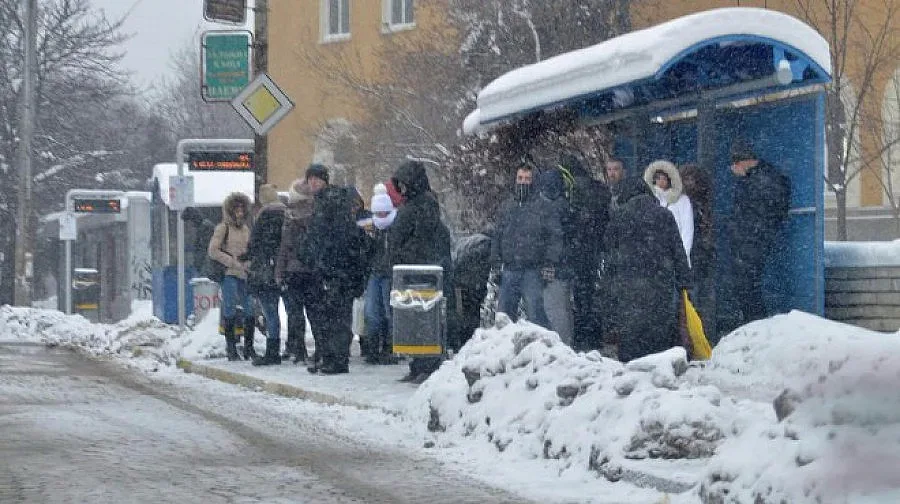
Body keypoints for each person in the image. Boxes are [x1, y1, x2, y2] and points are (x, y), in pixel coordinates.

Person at [604, 177, 691, 362]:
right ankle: (659, 370)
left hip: (629, 287)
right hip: (659, 285)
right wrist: (685, 282)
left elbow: (610, 255)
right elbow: (678, 252)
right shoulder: (664, 215)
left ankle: (631, 370)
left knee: (631, 336)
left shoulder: (620, 217)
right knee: (659, 334)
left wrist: (609, 289)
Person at [387, 160, 453, 384]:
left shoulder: (424, 204)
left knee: (425, 318)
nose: (402, 188)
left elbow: (421, 238)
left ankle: (427, 364)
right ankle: (417, 364)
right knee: (413, 317)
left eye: (405, 184)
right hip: (411, 268)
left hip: (421, 269)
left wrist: (404, 254)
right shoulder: (413, 204)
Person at [305, 174, 372, 375]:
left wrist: (319, 262)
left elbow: (314, 244)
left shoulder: (326, 221)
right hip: (341, 275)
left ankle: (332, 358)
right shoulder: (346, 223)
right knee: (337, 318)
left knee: (330, 318)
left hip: (332, 274)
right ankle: (333, 358)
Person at [491, 162, 562, 330]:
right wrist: (495, 263)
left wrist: (549, 263)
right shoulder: (507, 206)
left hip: (533, 270)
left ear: (534, 181)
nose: (523, 182)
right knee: (503, 319)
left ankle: (543, 351)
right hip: (509, 269)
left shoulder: (544, 207)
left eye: (527, 179)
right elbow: (497, 236)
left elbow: (555, 237)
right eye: (520, 178)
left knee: (536, 317)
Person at [729, 138, 791, 326]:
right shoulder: (768, 177)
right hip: (755, 240)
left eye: (734, 165)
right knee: (748, 286)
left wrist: (751, 233)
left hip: (753, 241)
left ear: (740, 162)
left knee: (746, 287)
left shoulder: (759, 180)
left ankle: (756, 324)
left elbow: (758, 212)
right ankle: (755, 324)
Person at [558, 154, 610, 351]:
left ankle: (583, 336)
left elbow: (571, 222)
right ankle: (593, 334)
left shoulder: (573, 190)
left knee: (580, 295)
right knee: (589, 293)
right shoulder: (598, 189)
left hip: (578, 251)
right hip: (594, 250)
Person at [208, 192, 255, 361]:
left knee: (250, 308)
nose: (240, 212)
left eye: (242, 209)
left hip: (244, 273)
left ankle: (249, 347)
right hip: (229, 273)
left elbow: (250, 249)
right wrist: (231, 261)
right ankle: (231, 347)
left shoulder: (246, 229)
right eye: (236, 209)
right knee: (230, 307)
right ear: (230, 210)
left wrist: (248, 262)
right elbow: (213, 250)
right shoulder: (223, 228)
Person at [247, 184, 286, 366]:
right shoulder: (286, 214)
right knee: (281, 310)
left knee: (269, 311)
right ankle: (289, 347)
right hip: (283, 268)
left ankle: (272, 351)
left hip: (265, 269)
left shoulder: (264, 216)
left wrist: (248, 256)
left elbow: (255, 244)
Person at [535, 168, 574, 345]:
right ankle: (565, 344)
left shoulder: (549, 209)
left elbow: (553, 240)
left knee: (554, 310)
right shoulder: (566, 206)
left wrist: (548, 262)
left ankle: (561, 347)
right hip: (564, 265)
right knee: (562, 309)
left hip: (554, 267)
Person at [363, 183, 398, 365]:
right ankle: (374, 347)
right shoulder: (371, 230)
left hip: (389, 273)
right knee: (372, 312)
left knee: (388, 311)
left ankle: (388, 347)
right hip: (376, 272)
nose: (381, 216)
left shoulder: (395, 228)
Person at [679, 163, 715, 332]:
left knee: (694, 295)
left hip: (695, 256)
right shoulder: (702, 205)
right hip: (698, 256)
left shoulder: (690, 205)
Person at [643, 160, 694, 266]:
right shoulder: (648, 199)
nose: (661, 182)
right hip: (653, 256)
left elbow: (687, 228)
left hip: (675, 251)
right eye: (657, 178)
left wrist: (683, 254)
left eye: (664, 178)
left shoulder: (682, 200)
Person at [181, 207, 216, 273]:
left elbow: (205, 249)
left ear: (192, 219)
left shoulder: (206, 228)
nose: (187, 226)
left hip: (208, 267)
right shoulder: (202, 227)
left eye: (187, 222)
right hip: (206, 266)